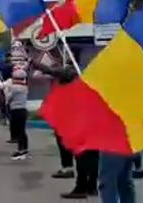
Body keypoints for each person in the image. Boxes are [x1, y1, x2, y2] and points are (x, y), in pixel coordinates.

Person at [32, 60, 97, 198]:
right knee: (91, 156)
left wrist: (34, 63)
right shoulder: (87, 81)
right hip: (91, 122)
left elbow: (53, 72)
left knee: (82, 156)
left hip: (80, 124)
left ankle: (81, 188)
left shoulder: (72, 77)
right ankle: (91, 187)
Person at [0, 68, 29, 160]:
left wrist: (4, 89)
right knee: (22, 131)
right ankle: (24, 149)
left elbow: (8, 98)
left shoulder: (14, 87)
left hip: (16, 111)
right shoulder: (25, 87)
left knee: (18, 131)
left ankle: (21, 151)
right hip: (23, 110)